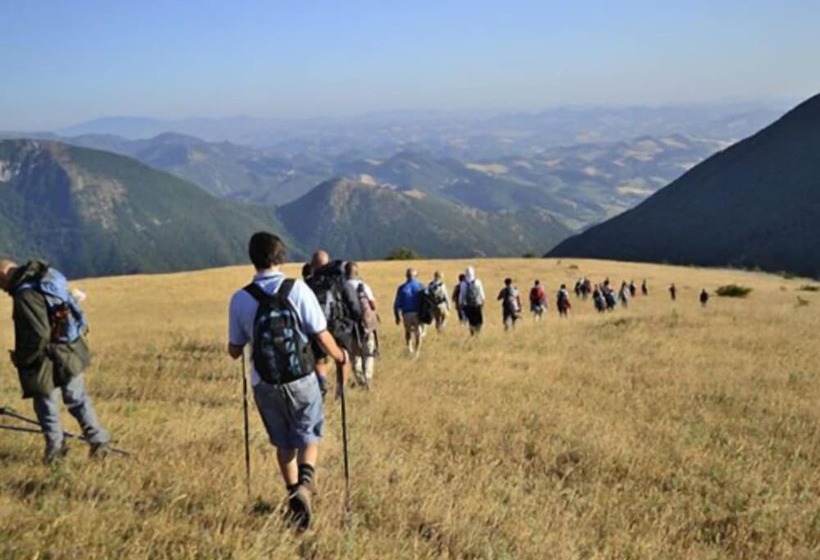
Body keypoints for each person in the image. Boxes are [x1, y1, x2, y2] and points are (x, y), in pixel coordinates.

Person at [228, 232, 350, 531]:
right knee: (308, 434)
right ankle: (305, 485)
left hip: (265, 382)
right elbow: (320, 333)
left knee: (283, 443)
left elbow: (234, 350)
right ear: (281, 257)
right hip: (302, 378)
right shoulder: (297, 289)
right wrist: (340, 357)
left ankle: (293, 493)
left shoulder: (240, 298)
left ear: (252, 259)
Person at [0, 259, 110, 463]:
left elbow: (39, 334)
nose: (2, 289)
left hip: (44, 359)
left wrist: (23, 358)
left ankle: (55, 453)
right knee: (78, 400)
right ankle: (99, 443)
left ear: (3, 277)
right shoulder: (41, 279)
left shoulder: (25, 295)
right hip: (69, 350)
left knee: (46, 406)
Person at [306, 250, 358, 397]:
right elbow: (353, 303)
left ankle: (321, 384)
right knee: (343, 356)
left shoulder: (309, 284)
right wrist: (355, 320)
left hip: (316, 328)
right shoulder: (340, 282)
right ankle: (341, 390)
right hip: (338, 326)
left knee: (319, 359)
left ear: (312, 265)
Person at [344, 261, 378, 387]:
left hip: (349, 326)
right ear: (357, 272)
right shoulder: (363, 286)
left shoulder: (341, 287)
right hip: (366, 324)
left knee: (354, 355)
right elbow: (373, 305)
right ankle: (368, 377)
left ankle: (360, 380)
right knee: (369, 352)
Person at [393, 268, 425, 356]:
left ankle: (409, 348)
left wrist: (397, 315)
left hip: (406, 313)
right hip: (417, 313)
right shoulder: (420, 286)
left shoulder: (401, 288)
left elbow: (397, 303)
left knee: (408, 331)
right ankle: (417, 351)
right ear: (416, 276)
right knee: (418, 332)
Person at [458, 266, 486, 336]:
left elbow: (462, 295)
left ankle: (472, 333)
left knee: (471, 321)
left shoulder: (463, 283)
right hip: (477, 304)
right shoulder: (478, 282)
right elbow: (481, 293)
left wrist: (460, 303)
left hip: (468, 305)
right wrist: (483, 301)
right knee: (479, 321)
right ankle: (477, 332)